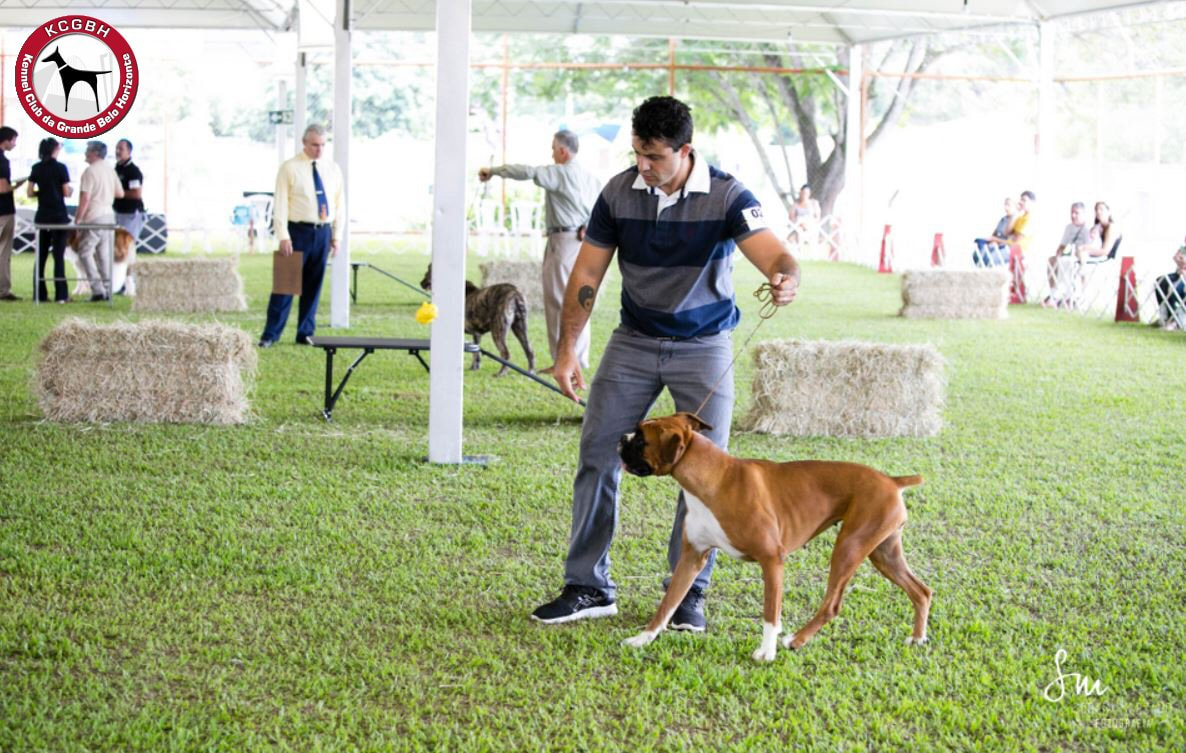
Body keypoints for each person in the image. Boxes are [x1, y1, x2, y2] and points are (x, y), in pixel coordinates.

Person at [531, 96, 800, 628]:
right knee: (597, 454)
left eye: (654, 156)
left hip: (704, 345)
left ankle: (688, 594)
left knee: (706, 471)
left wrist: (786, 277)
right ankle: (587, 585)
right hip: (633, 341)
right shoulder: (617, 192)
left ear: (685, 150)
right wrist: (566, 351)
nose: (643, 166)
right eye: (637, 153)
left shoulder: (728, 195)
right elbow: (586, 275)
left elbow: (775, 252)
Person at [479, 130, 602, 373]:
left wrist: (493, 171)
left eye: (553, 148)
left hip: (563, 241)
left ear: (563, 151)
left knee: (558, 300)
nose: (551, 153)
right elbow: (601, 207)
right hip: (582, 241)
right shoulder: (590, 178)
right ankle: (579, 358)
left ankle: (562, 360)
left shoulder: (559, 173)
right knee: (580, 299)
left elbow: (527, 172)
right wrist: (589, 224)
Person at [258, 123, 344, 347]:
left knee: (313, 287)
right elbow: (280, 204)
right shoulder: (289, 168)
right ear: (304, 143)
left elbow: (339, 204)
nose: (319, 149)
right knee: (285, 286)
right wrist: (283, 236)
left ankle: (305, 332)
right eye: (315, 145)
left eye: (323, 145)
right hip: (297, 232)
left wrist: (336, 236)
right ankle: (271, 334)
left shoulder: (333, 169)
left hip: (323, 232)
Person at [74, 140, 124, 302]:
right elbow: (120, 193)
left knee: (85, 252)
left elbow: (85, 198)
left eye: (87, 150)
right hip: (109, 215)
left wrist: (78, 219)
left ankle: (97, 289)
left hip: (94, 215)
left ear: (95, 153)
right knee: (104, 254)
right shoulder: (110, 170)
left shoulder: (90, 172)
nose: (85, 153)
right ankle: (108, 289)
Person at [26, 137, 72, 304]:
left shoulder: (36, 168)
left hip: (42, 216)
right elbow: (66, 192)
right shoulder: (61, 168)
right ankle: (61, 295)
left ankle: (39, 294)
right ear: (54, 150)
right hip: (59, 216)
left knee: (41, 256)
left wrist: (43, 193)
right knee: (58, 256)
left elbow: (29, 193)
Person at [1043, 201, 1092, 308]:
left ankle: (1082, 295)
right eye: (1072, 212)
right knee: (1052, 261)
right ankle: (1053, 293)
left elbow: (1090, 246)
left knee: (1079, 262)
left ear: (1083, 214)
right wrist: (1058, 254)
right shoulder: (1069, 227)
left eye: (1076, 213)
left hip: (1083, 256)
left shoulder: (1088, 229)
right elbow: (1062, 245)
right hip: (1069, 255)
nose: (1073, 215)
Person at [113, 138, 145, 295]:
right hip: (118, 212)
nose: (118, 151)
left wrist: (118, 194)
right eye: (117, 148)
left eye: (121, 149)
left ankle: (129, 283)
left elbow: (136, 193)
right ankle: (120, 282)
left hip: (131, 214)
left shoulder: (133, 171)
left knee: (127, 248)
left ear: (129, 151)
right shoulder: (116, 168)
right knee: (118, 249)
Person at [0, 126, 18, 301]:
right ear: (6, 140)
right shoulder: (3, 161)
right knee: (3, 251)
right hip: (3, 210)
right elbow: (2, 188)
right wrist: (17, 186)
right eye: (13, 140)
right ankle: (3, 290)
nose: (14, 144)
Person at [972, 196, 1016, 267]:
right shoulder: (1003, 219)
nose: (1006, 207)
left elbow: (1010, 241)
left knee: (986, 257)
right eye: (1005, 204)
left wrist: (996, 241)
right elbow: (994, 234)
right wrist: (991, 240)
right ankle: (980, 268)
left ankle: (985, 269)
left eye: (1008, 205)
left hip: (1004, 246)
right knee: (977, 252)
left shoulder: (1015, 220)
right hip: (994, 243)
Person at [1154, 243, 1186, 331]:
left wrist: (1182, 261)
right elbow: (1176, 258)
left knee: (1173, 289)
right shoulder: (1183, 248)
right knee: (1160, 281)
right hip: (1179, 274)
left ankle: (1175, 320)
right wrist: (1181, 261)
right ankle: (1164, 317)